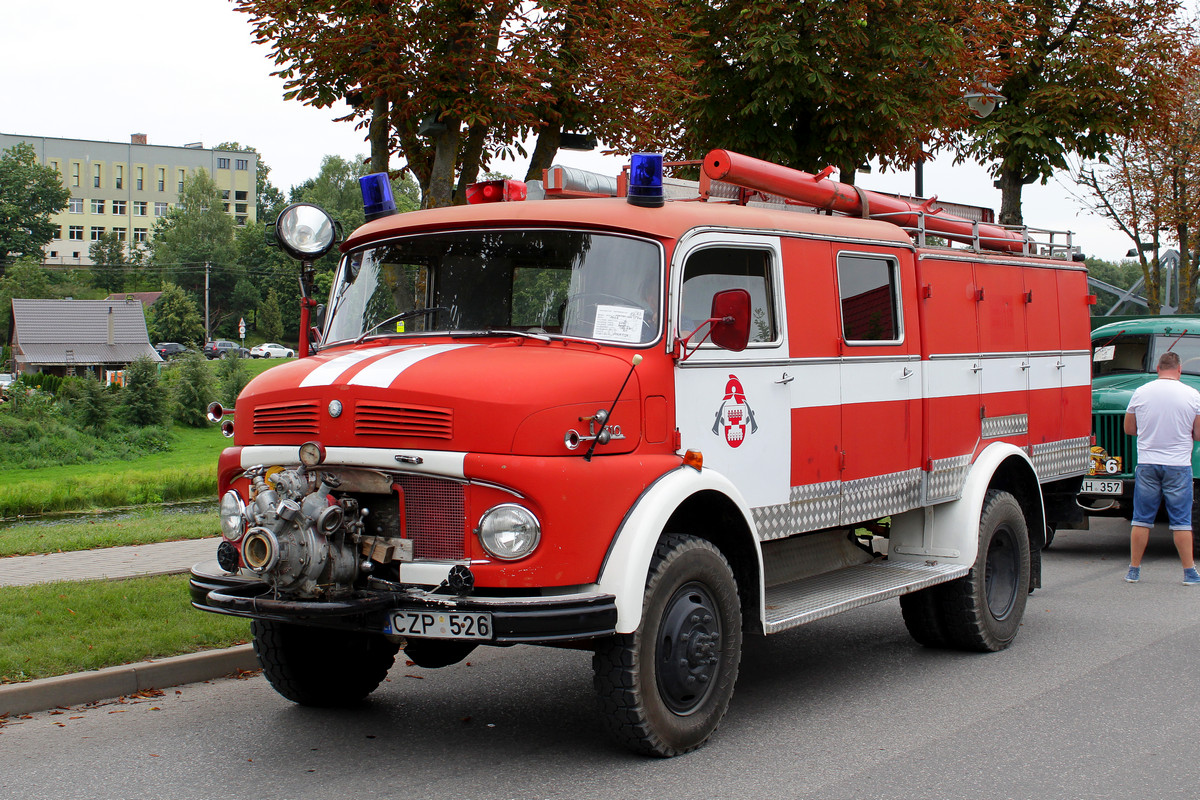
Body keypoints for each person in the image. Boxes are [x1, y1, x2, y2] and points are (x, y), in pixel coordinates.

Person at [1122, 350, 1200, 585]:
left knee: (1141, 519)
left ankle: (1133, 570)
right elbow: (1198, 433)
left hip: (1147, 463)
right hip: (1178, 465)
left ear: (1157, 369)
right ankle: (1189, 572)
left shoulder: (1140, 392)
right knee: (1181, 521)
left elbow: (1129, 428)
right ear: (1179, 370)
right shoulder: (1192, 394)